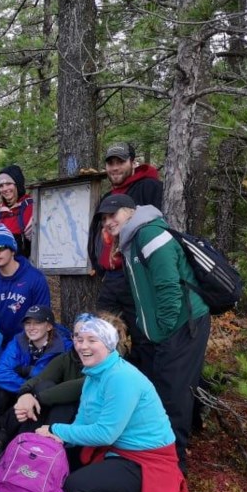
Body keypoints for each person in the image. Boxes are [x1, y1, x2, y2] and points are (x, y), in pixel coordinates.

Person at [36, 315, 188, 492]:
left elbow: (105, 434)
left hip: (147, 461)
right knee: (60, 473)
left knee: (74, 488)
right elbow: (83, 422)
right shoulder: (94, 375)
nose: (83, 346)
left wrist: (57, 429)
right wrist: (54, 442)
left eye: (91, 340)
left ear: (108, 344)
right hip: (118, 450)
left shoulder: (121, 378)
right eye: (78, 339)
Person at [102, 193, 211, 475]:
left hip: (184, 326)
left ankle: (175, 474)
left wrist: (160, 333)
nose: (109, 221)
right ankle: (162, 461)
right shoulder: (132, 241)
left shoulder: (150, 234)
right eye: (104, 217)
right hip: (169, 332)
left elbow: (168, 289)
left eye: (113, 214)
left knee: (172, 398)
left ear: (130, 211)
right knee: (164, 393)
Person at [87, 143, 163, 371]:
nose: (115, 167)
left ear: (132, 162)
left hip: (137, 274)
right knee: (102, 331)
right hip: (111, 278)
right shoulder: (110, 195)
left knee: (143, 338)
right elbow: (97, 233)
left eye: (120, 162)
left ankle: (146, 388)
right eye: (111, 163)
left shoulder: (148, 187)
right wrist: (98, 265)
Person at [5, 312, 131, 441]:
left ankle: (46, 444)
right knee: (41, 389)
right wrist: (25, 394)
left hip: (91, 419)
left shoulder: (111, 365)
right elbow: (41, 378)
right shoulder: (67, 358)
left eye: (89, 337)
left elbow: (79, 387)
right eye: (77, 336)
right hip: (63, 415)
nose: (82, 342)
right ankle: (18, 443)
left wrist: (36, 397)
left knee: (63, 403)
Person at [0, 224, 51, 343]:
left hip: (26, 344)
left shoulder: (35, 279)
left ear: (13, 250)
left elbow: (42, 316)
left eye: (1, 248)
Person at [0, 305, 72, 401]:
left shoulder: (64, 347)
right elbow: (0, 373)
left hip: (50, 398)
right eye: (28, 323)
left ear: (49, 326)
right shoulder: (18, 341)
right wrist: (28, 389)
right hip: (23, 392)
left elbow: (59, 380)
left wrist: (31, 371)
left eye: (37, 323)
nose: (31, 327)